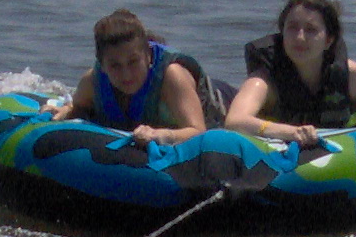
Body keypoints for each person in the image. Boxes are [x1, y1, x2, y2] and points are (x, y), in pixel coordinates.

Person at [224, 0, 356, 148]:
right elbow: (234, 121)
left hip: (346, 111)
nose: (300, 37)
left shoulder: (352, 75)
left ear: (329, 40)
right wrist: (289, 132)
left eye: (311, 30)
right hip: (280, 143)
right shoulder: (263, 81)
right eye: (292, 27)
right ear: (282, 32)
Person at [50, 9, 225, 145]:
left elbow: (198, 131)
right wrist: (67, 111)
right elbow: (78, 107)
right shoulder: (93, 81)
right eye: (115, 65)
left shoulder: (172, 77)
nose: (126, 74)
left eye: (133, 62)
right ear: (102, 65)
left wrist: (162, 135)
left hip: (224, 101)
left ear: (148, 56)